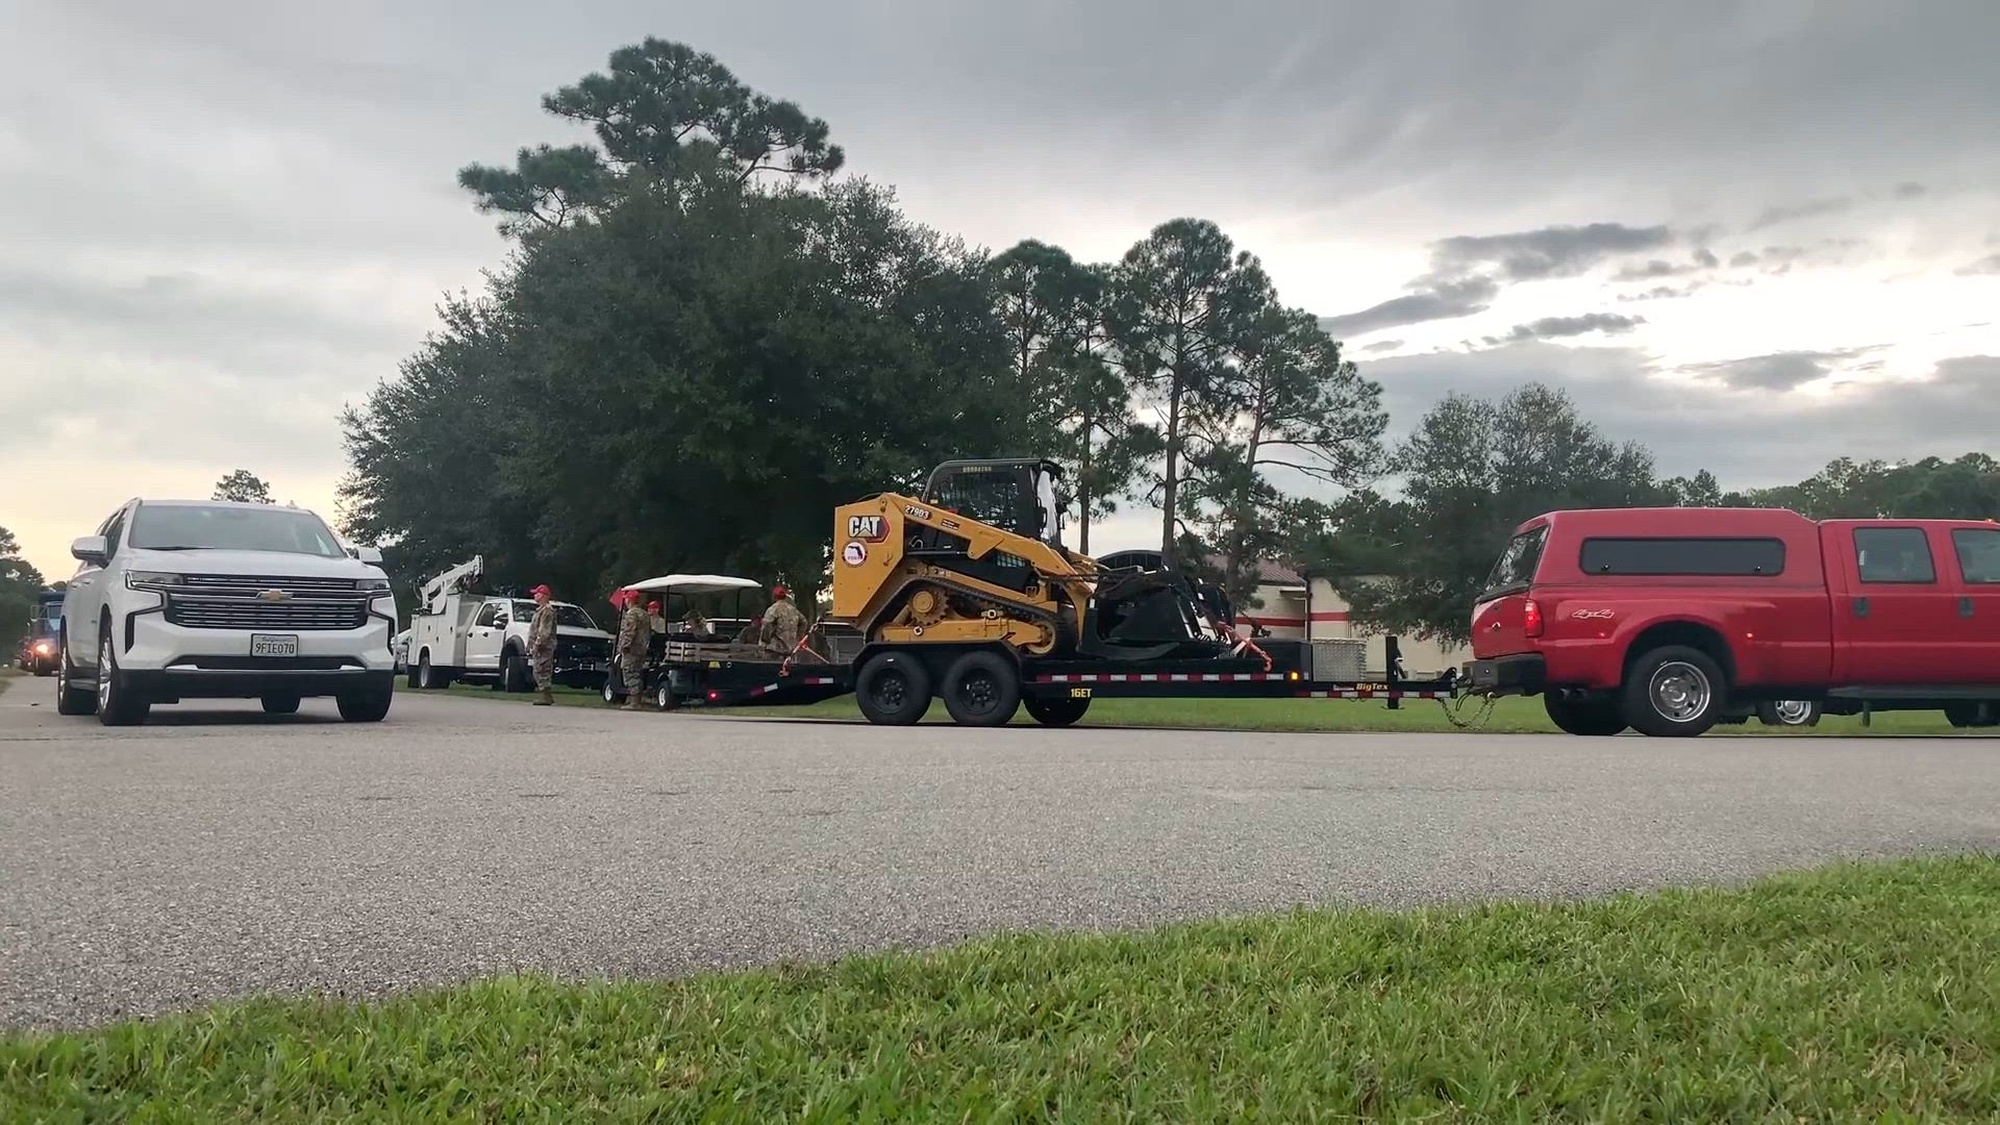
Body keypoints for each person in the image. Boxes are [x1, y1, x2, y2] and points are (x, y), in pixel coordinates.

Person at [615, 589, 650, 711]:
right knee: (637, 672)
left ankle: (634, 701)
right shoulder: (644, 614)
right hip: (642, 648)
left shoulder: (631, 614)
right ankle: (636, 699)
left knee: (629, 671)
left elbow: (629, 632)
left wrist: (624, 646)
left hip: (632, 648)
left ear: (629, 599)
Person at [527, 583, 559, 706]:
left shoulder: (547, 611)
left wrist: (538, 644)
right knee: (538, 670)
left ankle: (546, 697)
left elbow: (544, 631)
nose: (535, 595)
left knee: (542, 670)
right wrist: (530, 644)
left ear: (544, 595)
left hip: (544, 647)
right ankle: (546, 696)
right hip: (540, 646)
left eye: (537, 593)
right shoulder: (540, 610)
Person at [760, 583, 807, 657]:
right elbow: (804, 622)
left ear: (774, 597)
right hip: (791, 650)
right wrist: (799, 636)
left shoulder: (773, 609)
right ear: (785, 597)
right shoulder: (793, 610)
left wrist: (764, 641)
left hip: (775, 649)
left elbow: (767, 625)